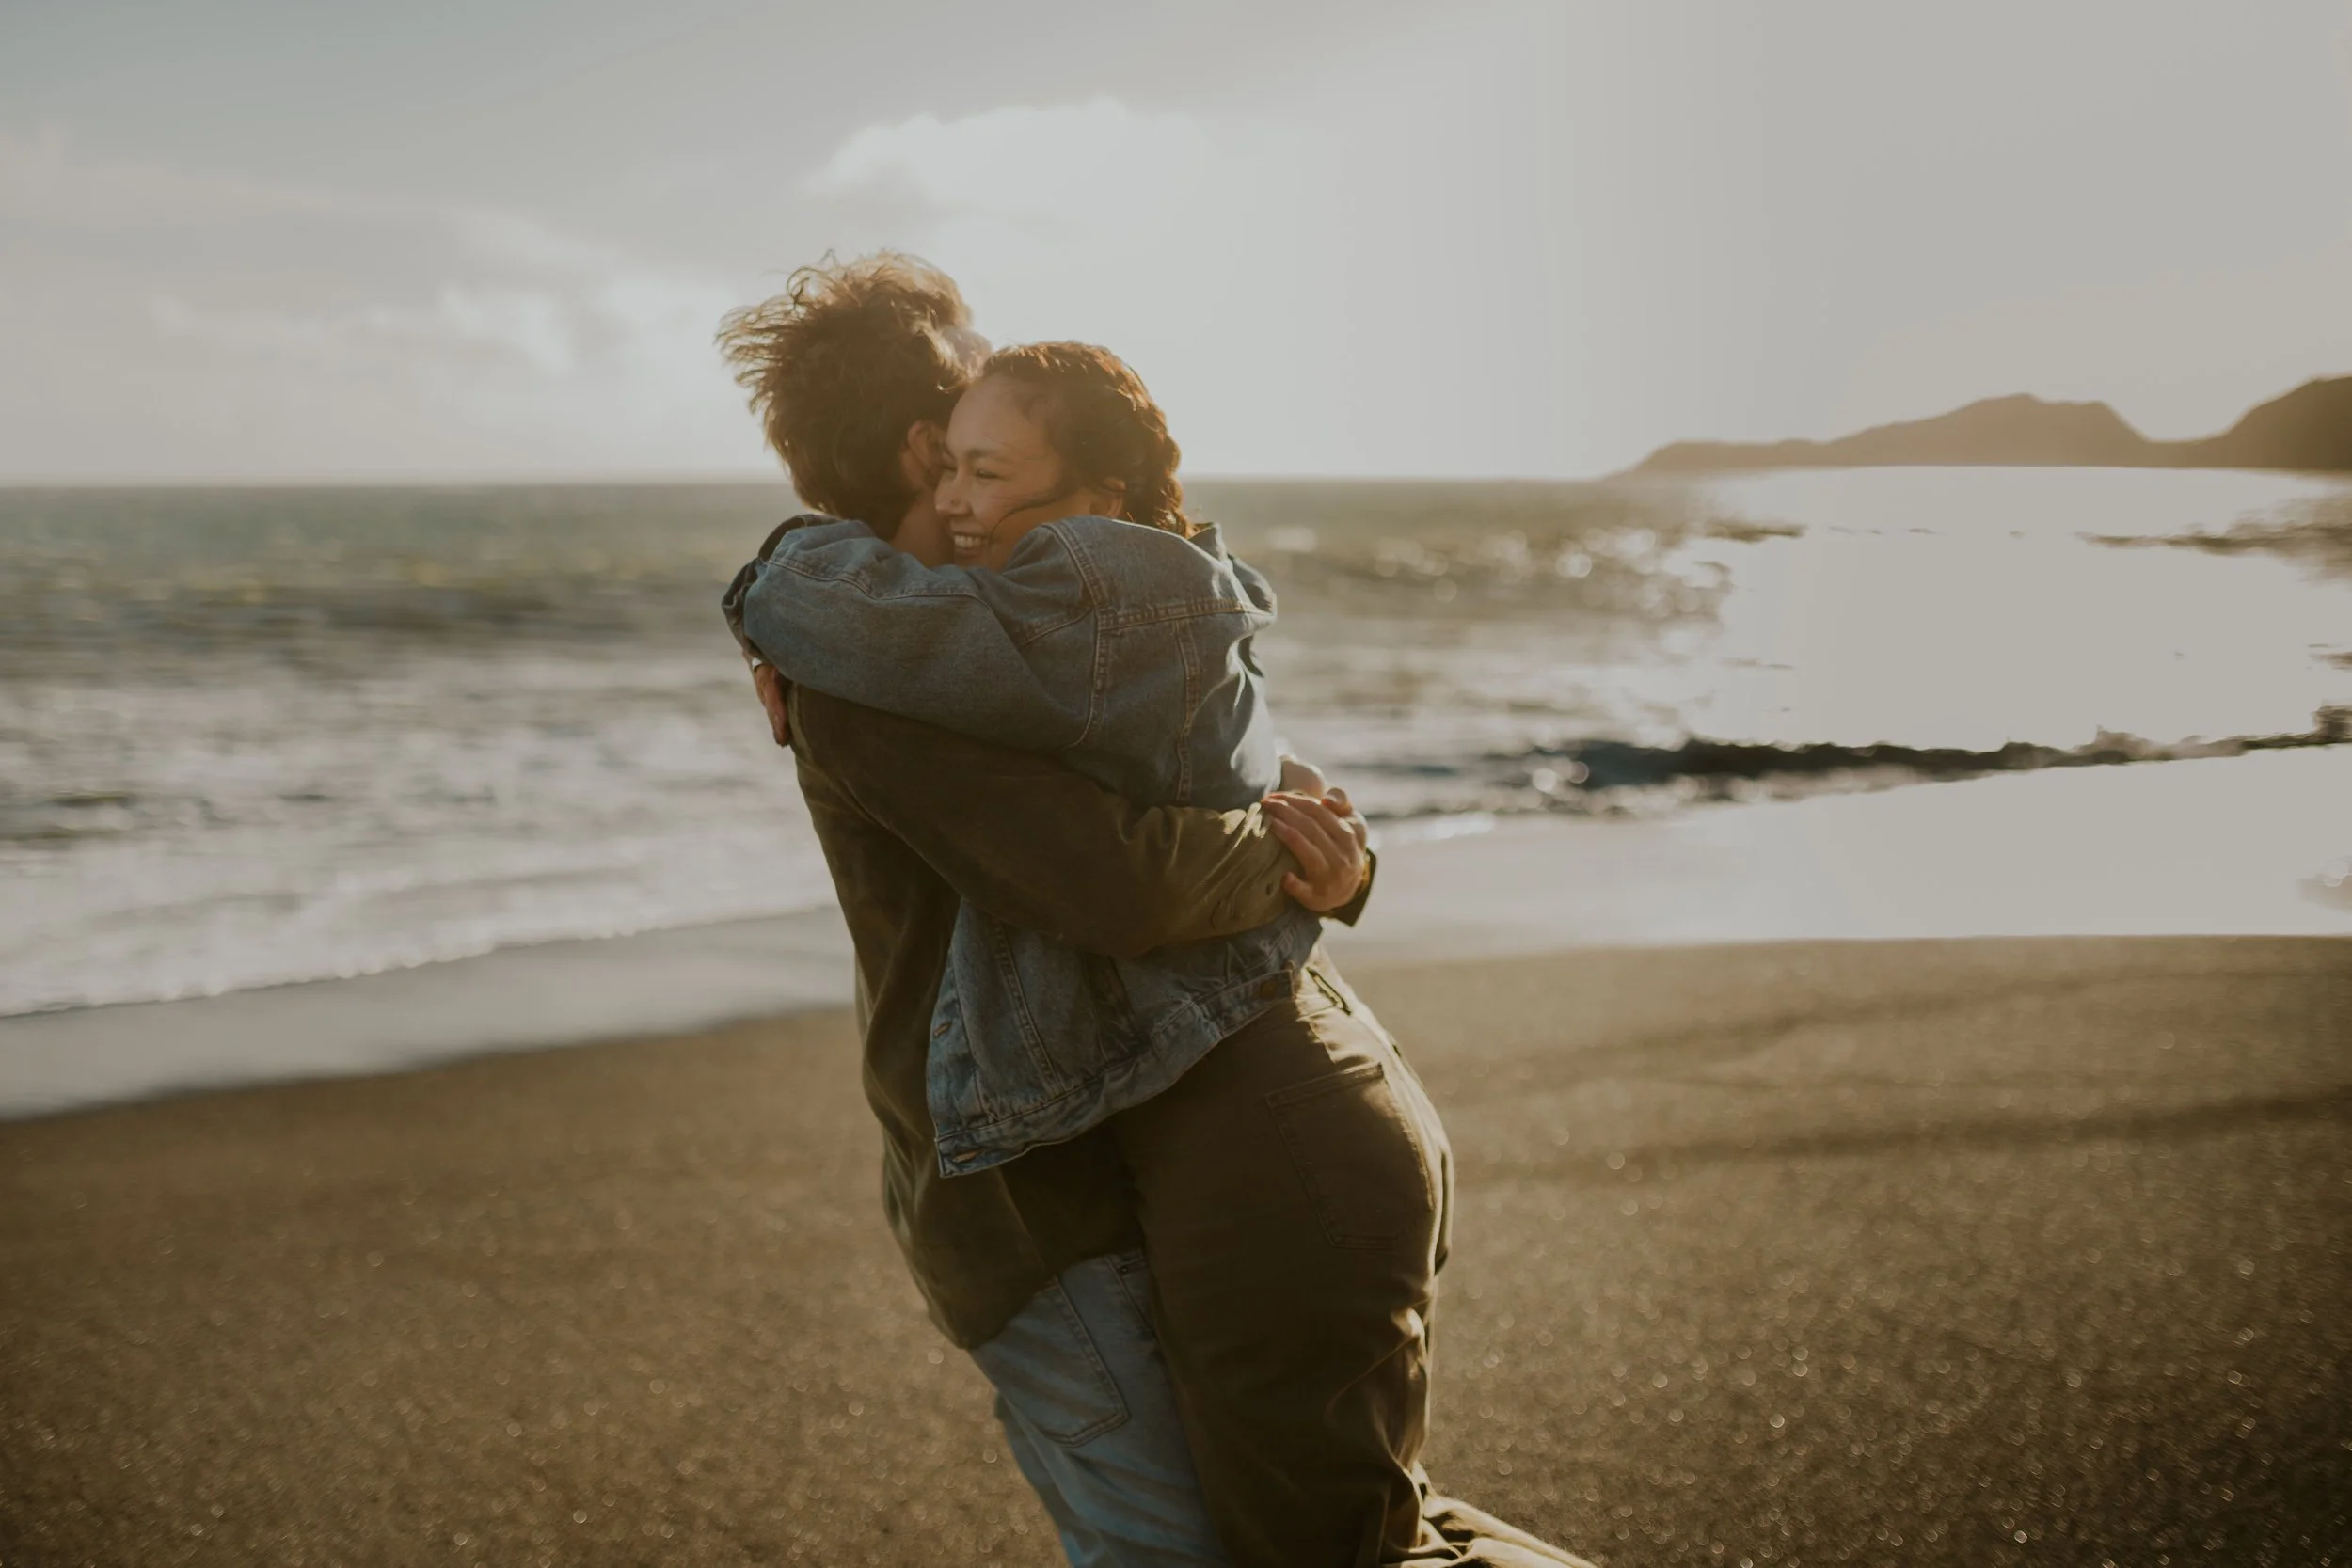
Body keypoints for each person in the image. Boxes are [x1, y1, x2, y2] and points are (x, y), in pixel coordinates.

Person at [723, 256, 1593, 1568]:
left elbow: (1241, 771)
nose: (1005, 414)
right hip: (1039, 1210)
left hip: (1198, 1147)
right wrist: (1302, 870)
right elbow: (1116, 881)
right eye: (976, 398)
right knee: (1319, 1531)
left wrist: (1338, 867)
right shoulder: (878, 669)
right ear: (926, 442)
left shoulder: (1026, 623)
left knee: (1315, 1537)